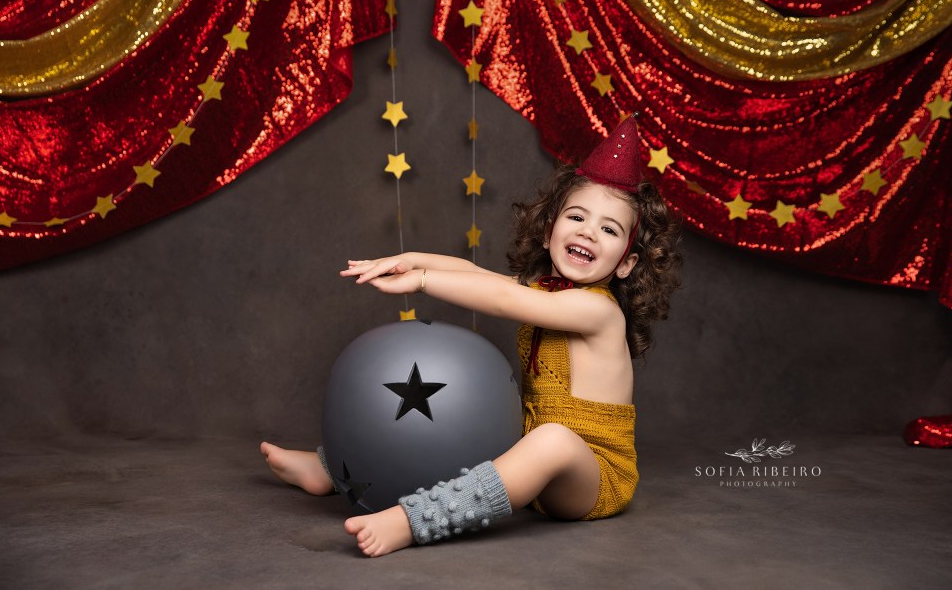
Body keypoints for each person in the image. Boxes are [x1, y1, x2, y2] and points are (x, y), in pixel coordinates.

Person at [260, 116, 682, 557]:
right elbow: (480, 275)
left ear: (627, 264)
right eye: (576, 216)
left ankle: (414, 520)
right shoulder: (544, 288)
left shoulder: (598, 310)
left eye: (609, 229)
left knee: (553, 438)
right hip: (529, 447)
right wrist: (411, 259)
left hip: (592, 474)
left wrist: (423, 281)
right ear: (548, 230)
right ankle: (334, 470)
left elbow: (500, 298)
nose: (588, 231)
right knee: (469, 412)